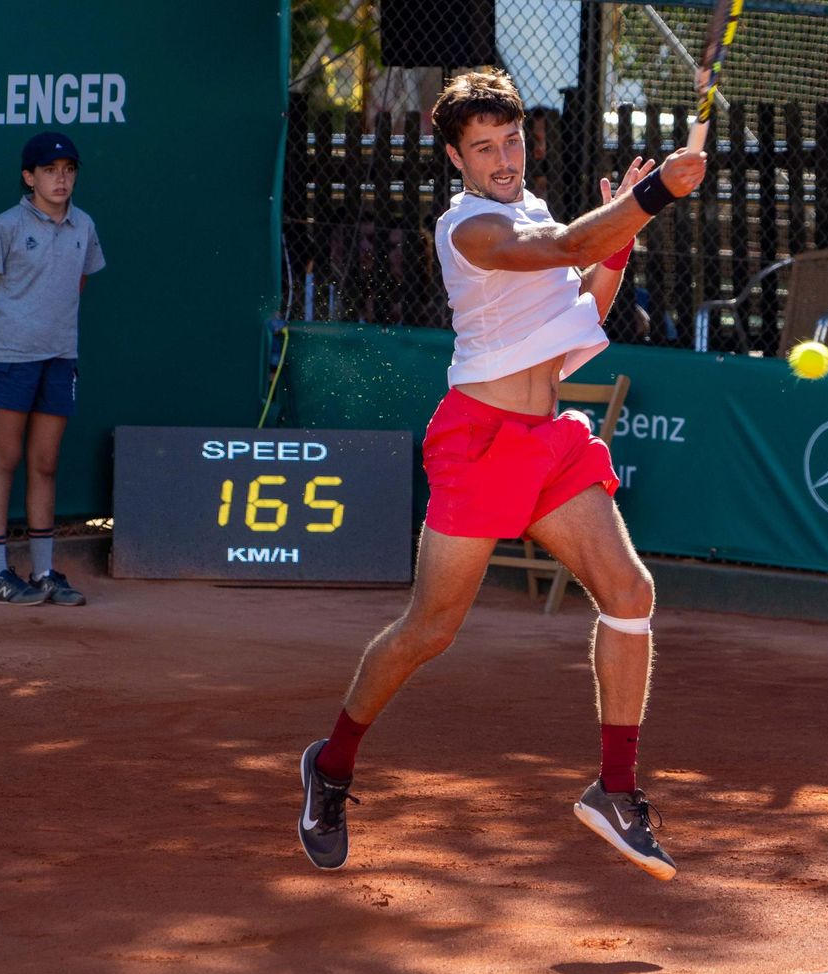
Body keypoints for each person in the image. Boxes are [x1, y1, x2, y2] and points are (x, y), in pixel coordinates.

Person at [297, 69, 705, 881]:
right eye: (483, 147)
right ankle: (332, 765)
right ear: (456, 156)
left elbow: (586, 295)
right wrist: (652, 193)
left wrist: (621, 228)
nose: (502, 157)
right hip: (478, 440)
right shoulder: (468, 229)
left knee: (630, 595)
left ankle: (615, 792)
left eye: (511, 140)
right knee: (430, 631)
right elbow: (566, 249)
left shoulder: (536, 210)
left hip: (548, 436)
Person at [0, 131, 105, 606]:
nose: (60, 179)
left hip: (60, 356)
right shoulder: (4, 225)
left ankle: (44, 571)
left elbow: (76, 284)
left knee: (45, 464)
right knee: (4, 459)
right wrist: (10, 326)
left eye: (68, 171)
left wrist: (46, 326)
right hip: (10, 359)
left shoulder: (84, 226)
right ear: (29, 178)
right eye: (49, 171)